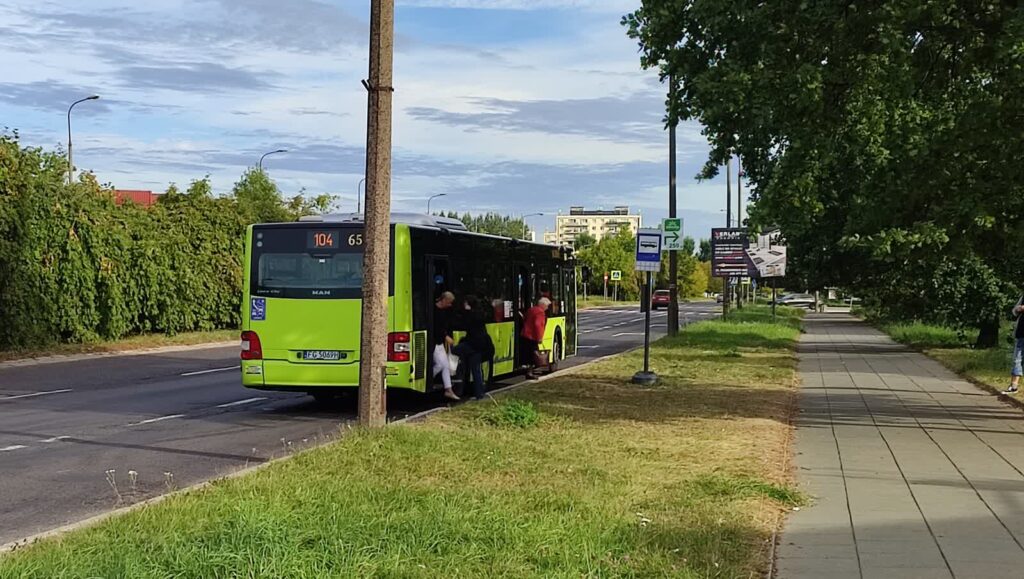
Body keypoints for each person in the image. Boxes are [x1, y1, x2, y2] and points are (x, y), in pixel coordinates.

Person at [453, 296, 495, 400]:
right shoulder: (480, 313)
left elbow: (463, 325)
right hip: (480, 345)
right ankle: (479, 393)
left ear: (468, 304)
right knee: (476, 369)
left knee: (453, 352)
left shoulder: (470, 315)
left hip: (472, 344)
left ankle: (458, 383)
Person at [432, 291, 459, 401]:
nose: (450, 305)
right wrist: (446, 336)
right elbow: (436, 328)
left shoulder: (442, 311)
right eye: (449, 302)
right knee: (440, 365)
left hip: (439, 342)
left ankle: (449, 390)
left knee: (446, 365)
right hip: (434, 342)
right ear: (444, 300)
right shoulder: (434, 311)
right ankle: (429, 378)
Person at [521, 296, 551, 379]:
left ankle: (528, 370)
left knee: (527, 354)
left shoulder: (531, 309)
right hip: (532, 336)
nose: (547, 308)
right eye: (547, 306)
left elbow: (524, 318)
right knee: (533, 355)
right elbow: (538, 325)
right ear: (543, 305)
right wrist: (539, 337)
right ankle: (530, 373)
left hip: (525, 334)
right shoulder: (540, 312)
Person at [1004, 294, 1024, 394]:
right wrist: (1018, 309)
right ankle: (1014, 386)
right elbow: (1014, 311)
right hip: (1021, 333)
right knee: (1017, 359)